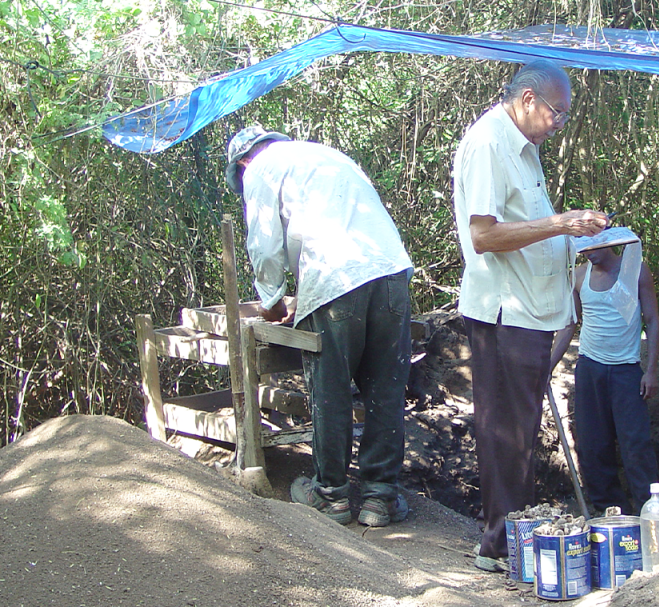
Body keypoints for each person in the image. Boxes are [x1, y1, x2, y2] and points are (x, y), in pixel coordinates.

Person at [451, 60, 608, 572]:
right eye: (556, 114)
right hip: (504, 311)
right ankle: (499, 546)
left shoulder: (525, 146)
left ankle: (514, 537)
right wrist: (560, 222)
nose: (558, 124)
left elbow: (526, 225)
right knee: (504, 431)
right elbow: (484, 236)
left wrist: (571, 233)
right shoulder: (489, 144)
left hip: (532, 310)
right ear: (526, 100)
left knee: (519, 428)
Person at [225, 126, 413, 527]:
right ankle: (381, 497)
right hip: (391, 271)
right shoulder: (327, 155)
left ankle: (331, 495)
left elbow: (264, 244)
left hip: (334, 279)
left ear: (243, 163)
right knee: (385, 388)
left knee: (330, 388)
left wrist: (272, 302)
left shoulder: (259, 169)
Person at [550, 230, 659, 516]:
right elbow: (568, 325)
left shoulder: (635, 271)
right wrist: (546, 368)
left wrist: (651, 371)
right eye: (583, 248)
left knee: (635, 443)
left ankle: (650, 511)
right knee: (592, 443)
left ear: (610, 242)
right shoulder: (579, 276)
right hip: (590, 367)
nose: (588, 252)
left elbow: (652, 320)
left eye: (594, 246)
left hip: (626, 370)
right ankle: (609, 512)